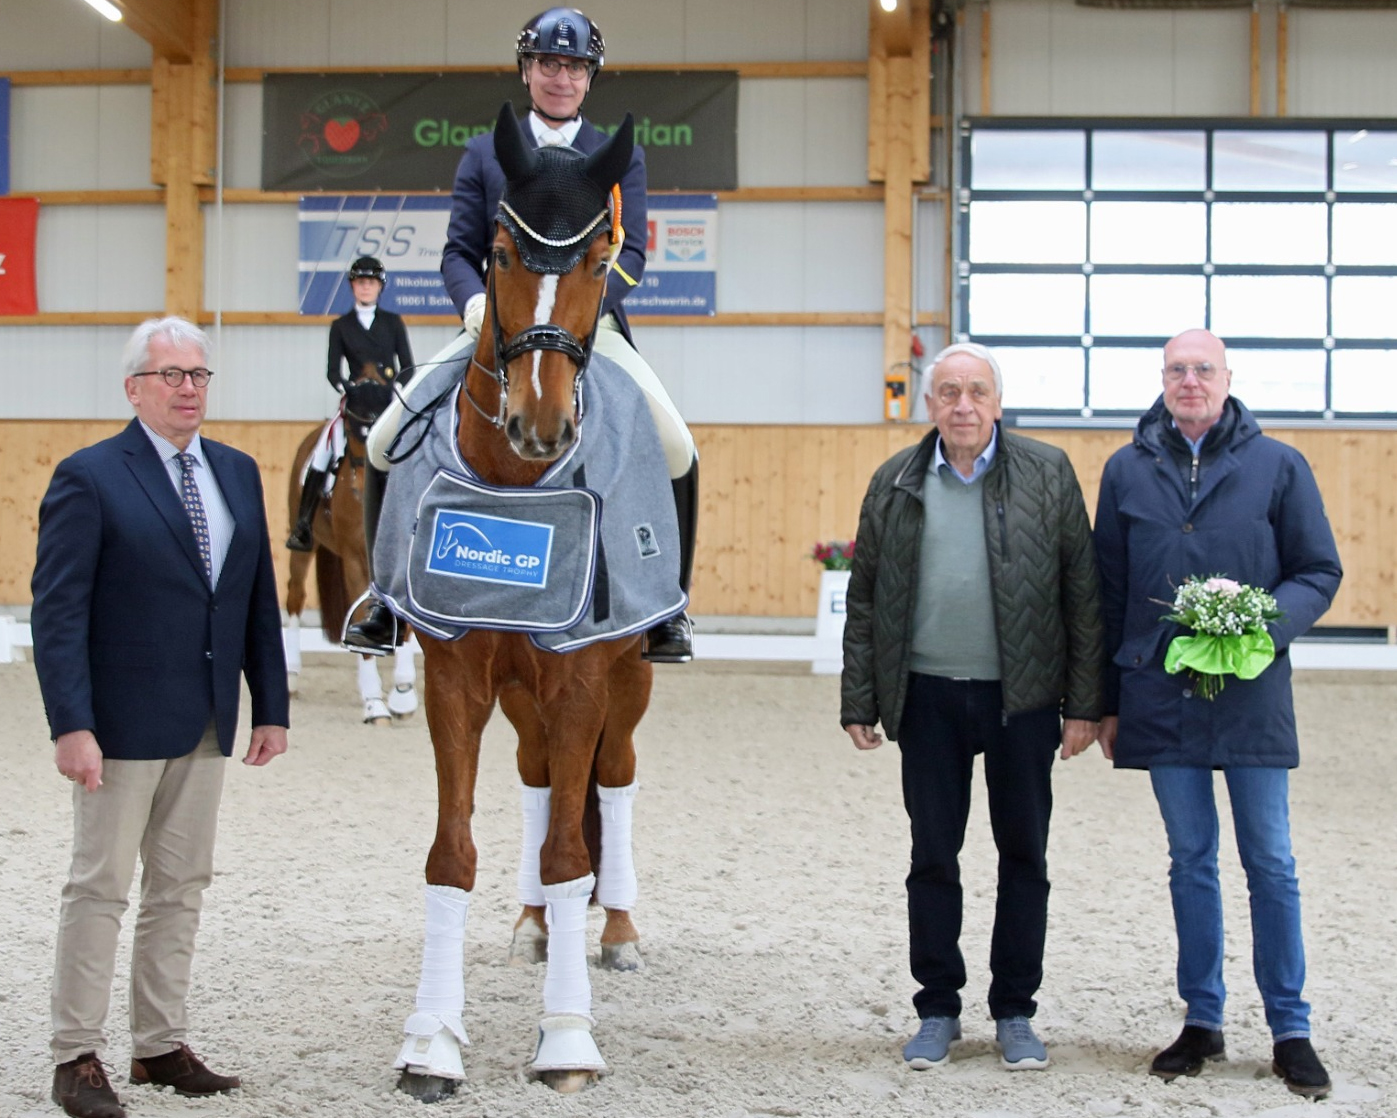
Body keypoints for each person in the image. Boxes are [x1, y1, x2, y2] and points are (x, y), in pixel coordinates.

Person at [349, 5, 698, 662]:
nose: (560, 77)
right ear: (527, 70)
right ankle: (382, 600)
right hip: (497, 327)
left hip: (587, 329)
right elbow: (458, 249)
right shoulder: (485, 154)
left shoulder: (616, 155)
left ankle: (664, 606)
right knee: (388, 437)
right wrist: (478, 305)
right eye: (548, 63)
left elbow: (633, 256)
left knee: (676, 444)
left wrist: (580, 313)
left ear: (589, 77)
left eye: (573, 66)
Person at [31, 317, 290, 1118]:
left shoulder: (238, 473)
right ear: (134, 388)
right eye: (171, 374)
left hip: (208, 720)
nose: (188, 388)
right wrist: (71, 723)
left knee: (180, 887)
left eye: (199, 374)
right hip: (119, 724)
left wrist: (270, 707)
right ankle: (75, 1054)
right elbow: (59, 611)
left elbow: (255, 601)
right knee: (100, 888)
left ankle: (159, 1045)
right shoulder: (91, 476)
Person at [840, 343, 1104, 1072]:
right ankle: (937, 1007)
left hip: (1019, 702)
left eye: (975, 392)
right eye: (948, 392)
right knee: (932, 857)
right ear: (930, 405)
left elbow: (1080, 594)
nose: (962, 405)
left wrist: (1083, 702)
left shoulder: (1047, 472)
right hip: (924, 698)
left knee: (1024, 856)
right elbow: (863, 600)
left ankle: (1015, 1010)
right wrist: (858, 696)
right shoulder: (893, 479)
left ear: (996, 401)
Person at [1094, 328, 1341, 1100]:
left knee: (1269, 861)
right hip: (1159, 694)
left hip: (1251, 694)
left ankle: (1289, 1028)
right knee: (1189, 860)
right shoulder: (1125, 469)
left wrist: (1261, 627)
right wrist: (1102, 701)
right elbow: (1106, 590)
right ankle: (1201, 1018)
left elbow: (1317, 570)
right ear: (1160, 380)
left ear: (1228, 377)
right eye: (1176, 370)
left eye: (1202, 369)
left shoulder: (1277, 466)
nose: (1189, 381)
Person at [286, 255, 414, 552]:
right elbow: (332, 370)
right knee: (321, 451)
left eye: (370, 283)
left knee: (413, 448)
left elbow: (408, 367)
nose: (365, 287)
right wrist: (347, 386)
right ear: (353, 287)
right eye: (360, 283)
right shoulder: (340, 326)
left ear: (379, 287)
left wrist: (395, 386)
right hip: (354, 407)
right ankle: (304, 524)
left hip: (386, 406)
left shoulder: (393, 323)